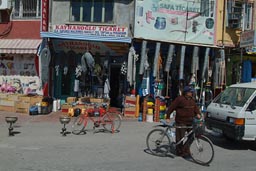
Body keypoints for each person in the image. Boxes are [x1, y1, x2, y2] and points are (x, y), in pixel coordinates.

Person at [166, 85, 201, 158]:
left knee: (191, 136)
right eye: (190, 92)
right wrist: (168, 116)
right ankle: (179, 151)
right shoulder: (180, 99)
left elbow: (195, 108)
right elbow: (171, 107)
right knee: (180, 138)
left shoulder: (192, 100)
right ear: (186, 92)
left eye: (192, 92)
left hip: (190, 121)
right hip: (181, 121)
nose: (191, 93)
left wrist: (198, 114)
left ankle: (185, 149)